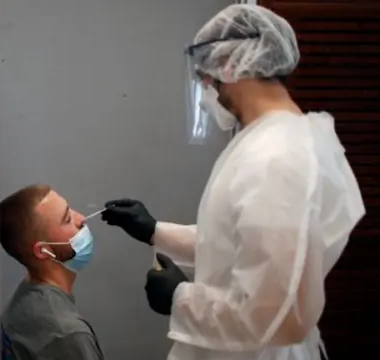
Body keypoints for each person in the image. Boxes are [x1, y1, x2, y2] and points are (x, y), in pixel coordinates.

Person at [102, 4, 365, 360]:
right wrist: (155, 230)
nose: (206, 87)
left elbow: (278, 311)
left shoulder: (276, 157)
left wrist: (181, 297)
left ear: (229, 63)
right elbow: (246, 243)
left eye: (205, 75)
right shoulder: (270, 139)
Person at [0, 185, 105, 360]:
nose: (82, 219)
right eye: (67, 219)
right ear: (43, 251)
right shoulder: (64, 334)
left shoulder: (27, 301)